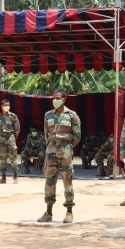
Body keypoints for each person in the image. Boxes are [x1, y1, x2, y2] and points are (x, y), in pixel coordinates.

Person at [37, 89, 81, 224]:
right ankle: (48, 212)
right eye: (53, 97)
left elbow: (77, 136)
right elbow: (46, 134)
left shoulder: (72, 115)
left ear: (64, 99)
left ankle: (69, 212)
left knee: (67, 180)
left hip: (65, 151)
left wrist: (66, 146)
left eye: (57, 98)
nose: (54, 100)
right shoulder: (48, 115)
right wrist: (53, 145)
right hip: (50, 151)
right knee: (49, 180)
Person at [0, 99, 21, 184]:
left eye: (8, 105)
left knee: (13, 158)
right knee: (2, 159)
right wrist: (1, 136)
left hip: (11, 138)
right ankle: (3, 178)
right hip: (2, 139)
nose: (7, 107)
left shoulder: (13, 116)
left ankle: (15, 177)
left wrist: (13, 137)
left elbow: (17, 129)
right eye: (5, 105)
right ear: (1, 106)